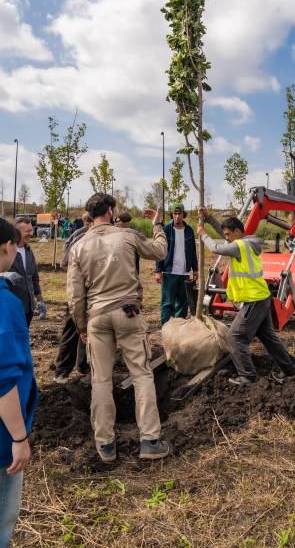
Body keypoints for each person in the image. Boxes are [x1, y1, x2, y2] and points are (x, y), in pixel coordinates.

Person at [68, 193, 169, 463]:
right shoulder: (127, 235)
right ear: (111, 211)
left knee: (100, 380)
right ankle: (150, 441)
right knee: (142, 375)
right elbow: (159, 252)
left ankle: (106, 446)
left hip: (97, 318)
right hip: (128, 313)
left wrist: (81, 325)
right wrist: (158, 226)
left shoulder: (78, 246)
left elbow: (75, 296)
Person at [197, 208, 295, 386]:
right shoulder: (246, 243)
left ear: (237, 232)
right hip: (262, 297)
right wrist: (208, 218)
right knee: (268, 337)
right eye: (225, 234)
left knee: (234, 337)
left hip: (254, 300)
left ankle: (247, 376)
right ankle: (290, 371)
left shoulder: (239, 246)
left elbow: (216, 247)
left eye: (229, 234)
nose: (226, 237)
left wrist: (203, 233)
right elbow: (224, 235)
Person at [0, 218, 38, 547]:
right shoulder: (5, 304)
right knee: (3, 516)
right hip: (1, 439)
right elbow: (3, 380)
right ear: (8, 247)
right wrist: (18, 436)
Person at [53, 213, 94, 384]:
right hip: (78, 293)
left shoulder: (101, 238)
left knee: (89, 329)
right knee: (72, 328)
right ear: (90, 222)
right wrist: (78, 279)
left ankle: (82, 364)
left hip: (94, 293)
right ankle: (62, 370)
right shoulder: (80, 236)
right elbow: (64, 264)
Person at [154, 204, 198, 326]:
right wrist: (158, 270)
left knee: (183, 304)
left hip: (184, 273)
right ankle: (166, 328)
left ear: (183, 214)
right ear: (172, 215)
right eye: (174, 214)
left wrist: (195, 269)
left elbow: (192, 250)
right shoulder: (166, 229)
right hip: (169, 273)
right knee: (168, 303)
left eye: (179, 214)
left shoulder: (189, 230)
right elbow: (159, 250)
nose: (177, 216)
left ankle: (179, 328)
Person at [9, 216, 46, 324]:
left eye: (31, 230)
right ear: (16, 232)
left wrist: (40, 300)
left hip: (28, 308)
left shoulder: (29, 251)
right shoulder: (5, 252)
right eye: (28, 231)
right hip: (11, 308)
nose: (31, 233)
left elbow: (34, 278)